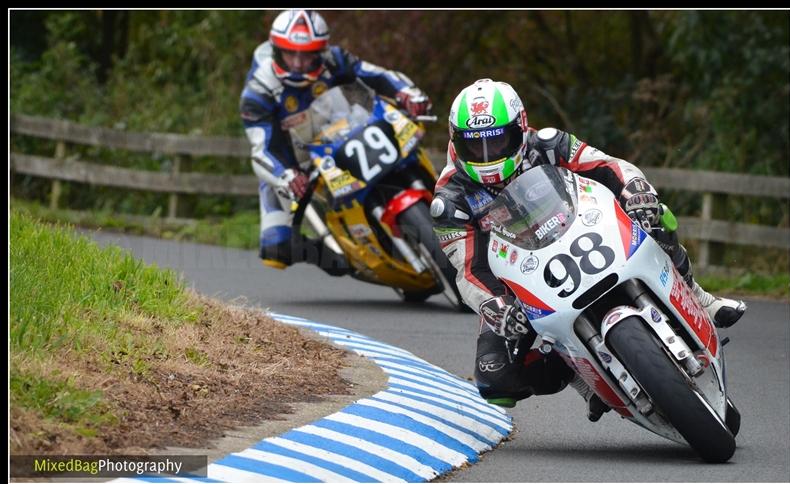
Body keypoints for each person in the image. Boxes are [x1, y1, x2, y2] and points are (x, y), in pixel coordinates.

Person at [430, 78, 747, 420]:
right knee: (495, 380)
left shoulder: (549, 145)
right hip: (520, 280)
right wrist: (495, 306)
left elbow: (610, 167)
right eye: (475, 146)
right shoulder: (449, 199)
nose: (488, 156)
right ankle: (586, 378)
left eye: (496, 141)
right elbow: (468, 270)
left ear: (520, 128)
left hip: (585, 232)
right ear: (455, 141)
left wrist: (636, 189)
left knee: (656, 216)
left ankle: (699, 297)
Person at [240, 10, 432, 275]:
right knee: (275, 248)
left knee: (409, 143)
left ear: (320, 50)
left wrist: (405, 91)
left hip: (349, 132)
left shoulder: (334, 59)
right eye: (290, 53)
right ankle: (334, 255)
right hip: (294, 162)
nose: (297, 63)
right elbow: (262, 148)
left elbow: (375, 74)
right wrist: (286, 175)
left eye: (307, 54)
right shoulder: (258, 90)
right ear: (276, 50)